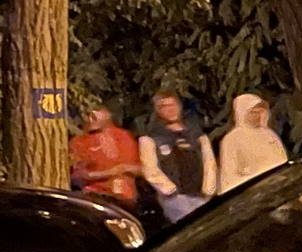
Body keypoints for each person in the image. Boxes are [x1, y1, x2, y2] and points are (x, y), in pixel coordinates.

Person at [138, 92, 216, 223]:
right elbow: (150, 168)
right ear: (157, 110)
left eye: (173, 105)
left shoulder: (198, 137)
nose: (170, 109)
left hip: (202, 196)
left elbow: (209, 163)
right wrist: (170, 191)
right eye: (164, 106)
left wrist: (209, 189)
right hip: (175, 199)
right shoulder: (151, 139)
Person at [68, 106, 142, 207]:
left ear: (107, 114)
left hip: (123, 195)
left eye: (94, 115)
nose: (90, 119)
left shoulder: (122, 136)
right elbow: (78, 176)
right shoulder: (78, 142)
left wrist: (125, 169)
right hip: (93, 195)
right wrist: (111, 172)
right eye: (87, 115)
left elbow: (139, 168)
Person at [218, 94, 289, 190]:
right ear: (242, 113)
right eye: (253, 113)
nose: (257, 116)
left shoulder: (270, 136)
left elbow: (283, 161)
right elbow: (229, 177)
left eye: (260, 112)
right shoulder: (232, 139)